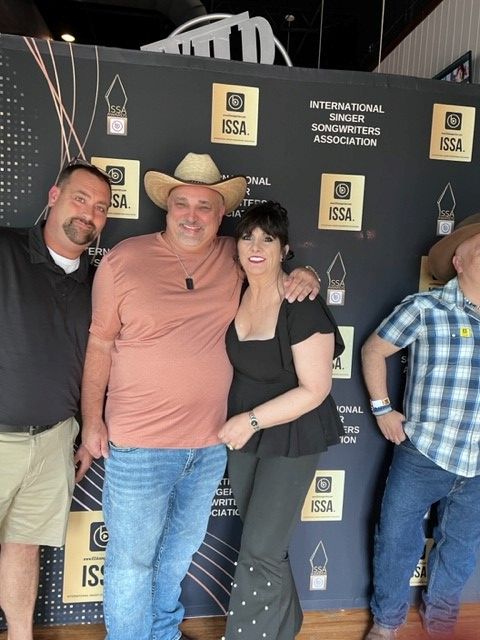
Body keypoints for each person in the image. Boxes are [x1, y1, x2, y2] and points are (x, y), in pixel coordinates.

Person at [80, 152, 321, 640]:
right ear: (167, 208)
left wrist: (307, 273)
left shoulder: (236, 256)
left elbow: (272, 263)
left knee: (177, 555)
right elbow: (100, 343)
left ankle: (163, 633)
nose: (192, 216)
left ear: (220, 213)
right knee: (131, 562)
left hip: (210, 445)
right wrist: (91, 420)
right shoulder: (124, 259)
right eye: (182, 204)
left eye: (204, 206)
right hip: (139, 444)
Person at [217, 201, 344, 640]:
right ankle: (286, 627)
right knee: (266, 546)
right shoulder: (233, 290)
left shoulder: (300, 302)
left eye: (267, 239)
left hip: (290, 434)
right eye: (248, 237)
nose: (256, 247)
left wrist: (250, 421)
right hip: (246, 438)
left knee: (259, 550)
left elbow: (315, 389)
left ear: (284, 248)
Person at [0, 158, 111, 640]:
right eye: (80, 199)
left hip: (54, 442)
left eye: (101, 207)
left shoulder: (102, 281)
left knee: (24, 546)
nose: (89, 213)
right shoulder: (5, 248)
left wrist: (85, 432)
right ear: (54, 196)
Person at [361, 214, 480, 640]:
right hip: (425, 451)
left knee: (461, 551)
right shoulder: (425, 308)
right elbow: (374, 350)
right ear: (459, 263)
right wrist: (382, 409)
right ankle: (387, 624)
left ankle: (441, 627)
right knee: (396, 542)